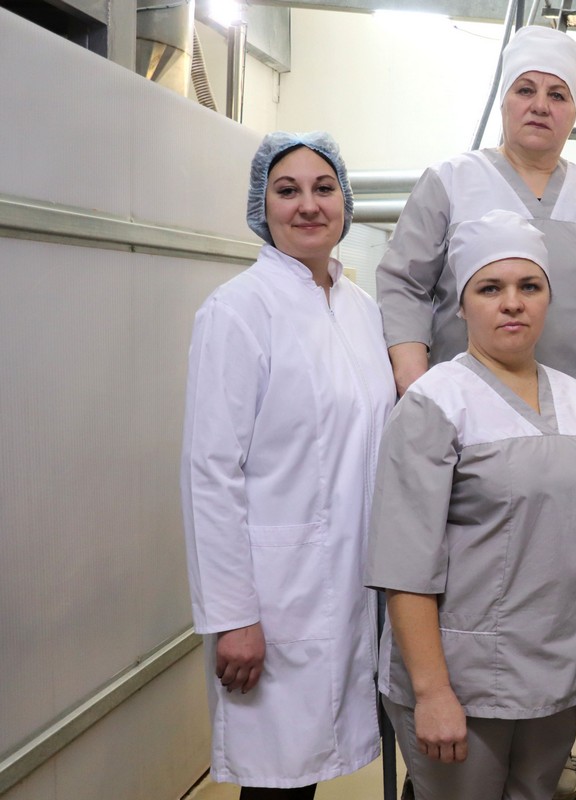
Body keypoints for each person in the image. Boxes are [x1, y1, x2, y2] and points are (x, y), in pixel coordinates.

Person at [366, 210, 576, 800]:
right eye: (490, 288)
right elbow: (403, 565)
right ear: (462, 305)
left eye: (529, 286)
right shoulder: (435, 402)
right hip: (463, 679)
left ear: (548, 298)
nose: (512, 303)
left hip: (558, 671)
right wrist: (432, 691)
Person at [180, 131, 395, 798]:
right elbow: (210, 474)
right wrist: (233, 616)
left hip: (354, 586)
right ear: (262, 206)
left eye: (323, 188)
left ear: (345, 202)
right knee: (278, 783)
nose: (308, 204)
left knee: (319, 766)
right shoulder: (237, 310)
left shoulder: (362, 311)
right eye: (287, 190)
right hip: (275, 598)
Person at [377, 24, 576, 405]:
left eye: (557, 94)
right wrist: (418, 385)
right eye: (525, 90)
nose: (540, 106)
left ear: (574, 111)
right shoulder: (451, 180)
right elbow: (404, 284)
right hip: (465, 407)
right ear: (503, 101)